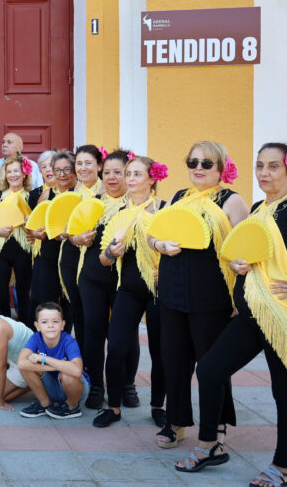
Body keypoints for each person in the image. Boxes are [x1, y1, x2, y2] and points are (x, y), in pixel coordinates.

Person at [178, 143, 287, 486]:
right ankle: (209, 445)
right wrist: (237, 264)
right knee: (211, 369)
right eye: (259, 165)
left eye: (273, 166)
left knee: (285, 391)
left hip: (285, 314)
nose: (264, 173)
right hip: (251, 315)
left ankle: (282, 468)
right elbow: (247, 255)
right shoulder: (259, 208)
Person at [150, 141, 249, 449]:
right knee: (174, 360)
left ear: (220, 168)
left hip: (211, 296)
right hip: (172, 291)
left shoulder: (232, 201)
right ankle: (176, 422)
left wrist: (239, 289)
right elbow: (154, 232)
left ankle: (216, 423)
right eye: (193, 162)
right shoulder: (179, 198)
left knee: (212, 363)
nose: (198, 169)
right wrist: (160, 246)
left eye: (207, 164)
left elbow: (245, 249)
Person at [98, 155, 168, 428]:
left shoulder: (164, 209)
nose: (131, 179)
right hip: (127, 289)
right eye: (129, 174)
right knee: (115, 346)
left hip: (158, 289)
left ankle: (157, 406)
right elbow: (103, 259)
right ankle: (113, 408)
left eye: (138, 174)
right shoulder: (119, 214)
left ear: (152, 179)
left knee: (160, 350)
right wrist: (110, 252)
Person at [73, 148, 130, 411]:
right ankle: (96, 385)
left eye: (119, 172)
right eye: (107, 172)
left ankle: (126, 385)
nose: (112, 177)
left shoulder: (137, 204)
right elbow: (71, 233)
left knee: (122, 335)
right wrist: (77, 238)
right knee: (94, 332)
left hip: (125, 281)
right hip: (92, 277)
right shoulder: (93, 202)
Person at [59, 144, 104, 352]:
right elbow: (63, 228)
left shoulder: (106, 192)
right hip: (70, 255)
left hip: (96, 258)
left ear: (99, 165)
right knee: (77, 310)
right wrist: (67, 234)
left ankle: (95, 363)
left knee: (94, 314)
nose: (83, 168)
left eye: (88, 163)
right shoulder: (71, 193)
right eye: (79, 164)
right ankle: (82, 361)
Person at [17, 302, 90, 419]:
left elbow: (77, 371)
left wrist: (44, 358)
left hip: (75, 389)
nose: (50, 325)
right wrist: (55, 366)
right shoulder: (36, 337)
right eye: (44, 322)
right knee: (27, 365)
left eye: (55, 321)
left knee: (67, 373)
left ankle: (72, 407)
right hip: (51, 385)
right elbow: (21, 363)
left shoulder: (68, 340)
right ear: (37, 326)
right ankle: (45, 403)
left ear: (63, 325)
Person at [0, 155, 34, 323]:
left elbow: (39, 225)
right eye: (9, 171)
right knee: (1, 291)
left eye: (17, 171)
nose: (13, 175)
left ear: (25, 174)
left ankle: (26, 328)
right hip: (1, 248)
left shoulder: (32, 196)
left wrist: (30, 223)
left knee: (23, 292)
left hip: (24, 248)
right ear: (4, 175)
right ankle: (5, 325)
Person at [27, 151, 76, 316]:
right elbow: (34, 224)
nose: (61, 175)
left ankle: (66, 339)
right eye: (57, 170)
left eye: (67, 170)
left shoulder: (81, 194)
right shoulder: (47, 194)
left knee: (70, 304)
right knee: (47, 302)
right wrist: (35, 232)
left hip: (73, 254)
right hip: (49, 254)